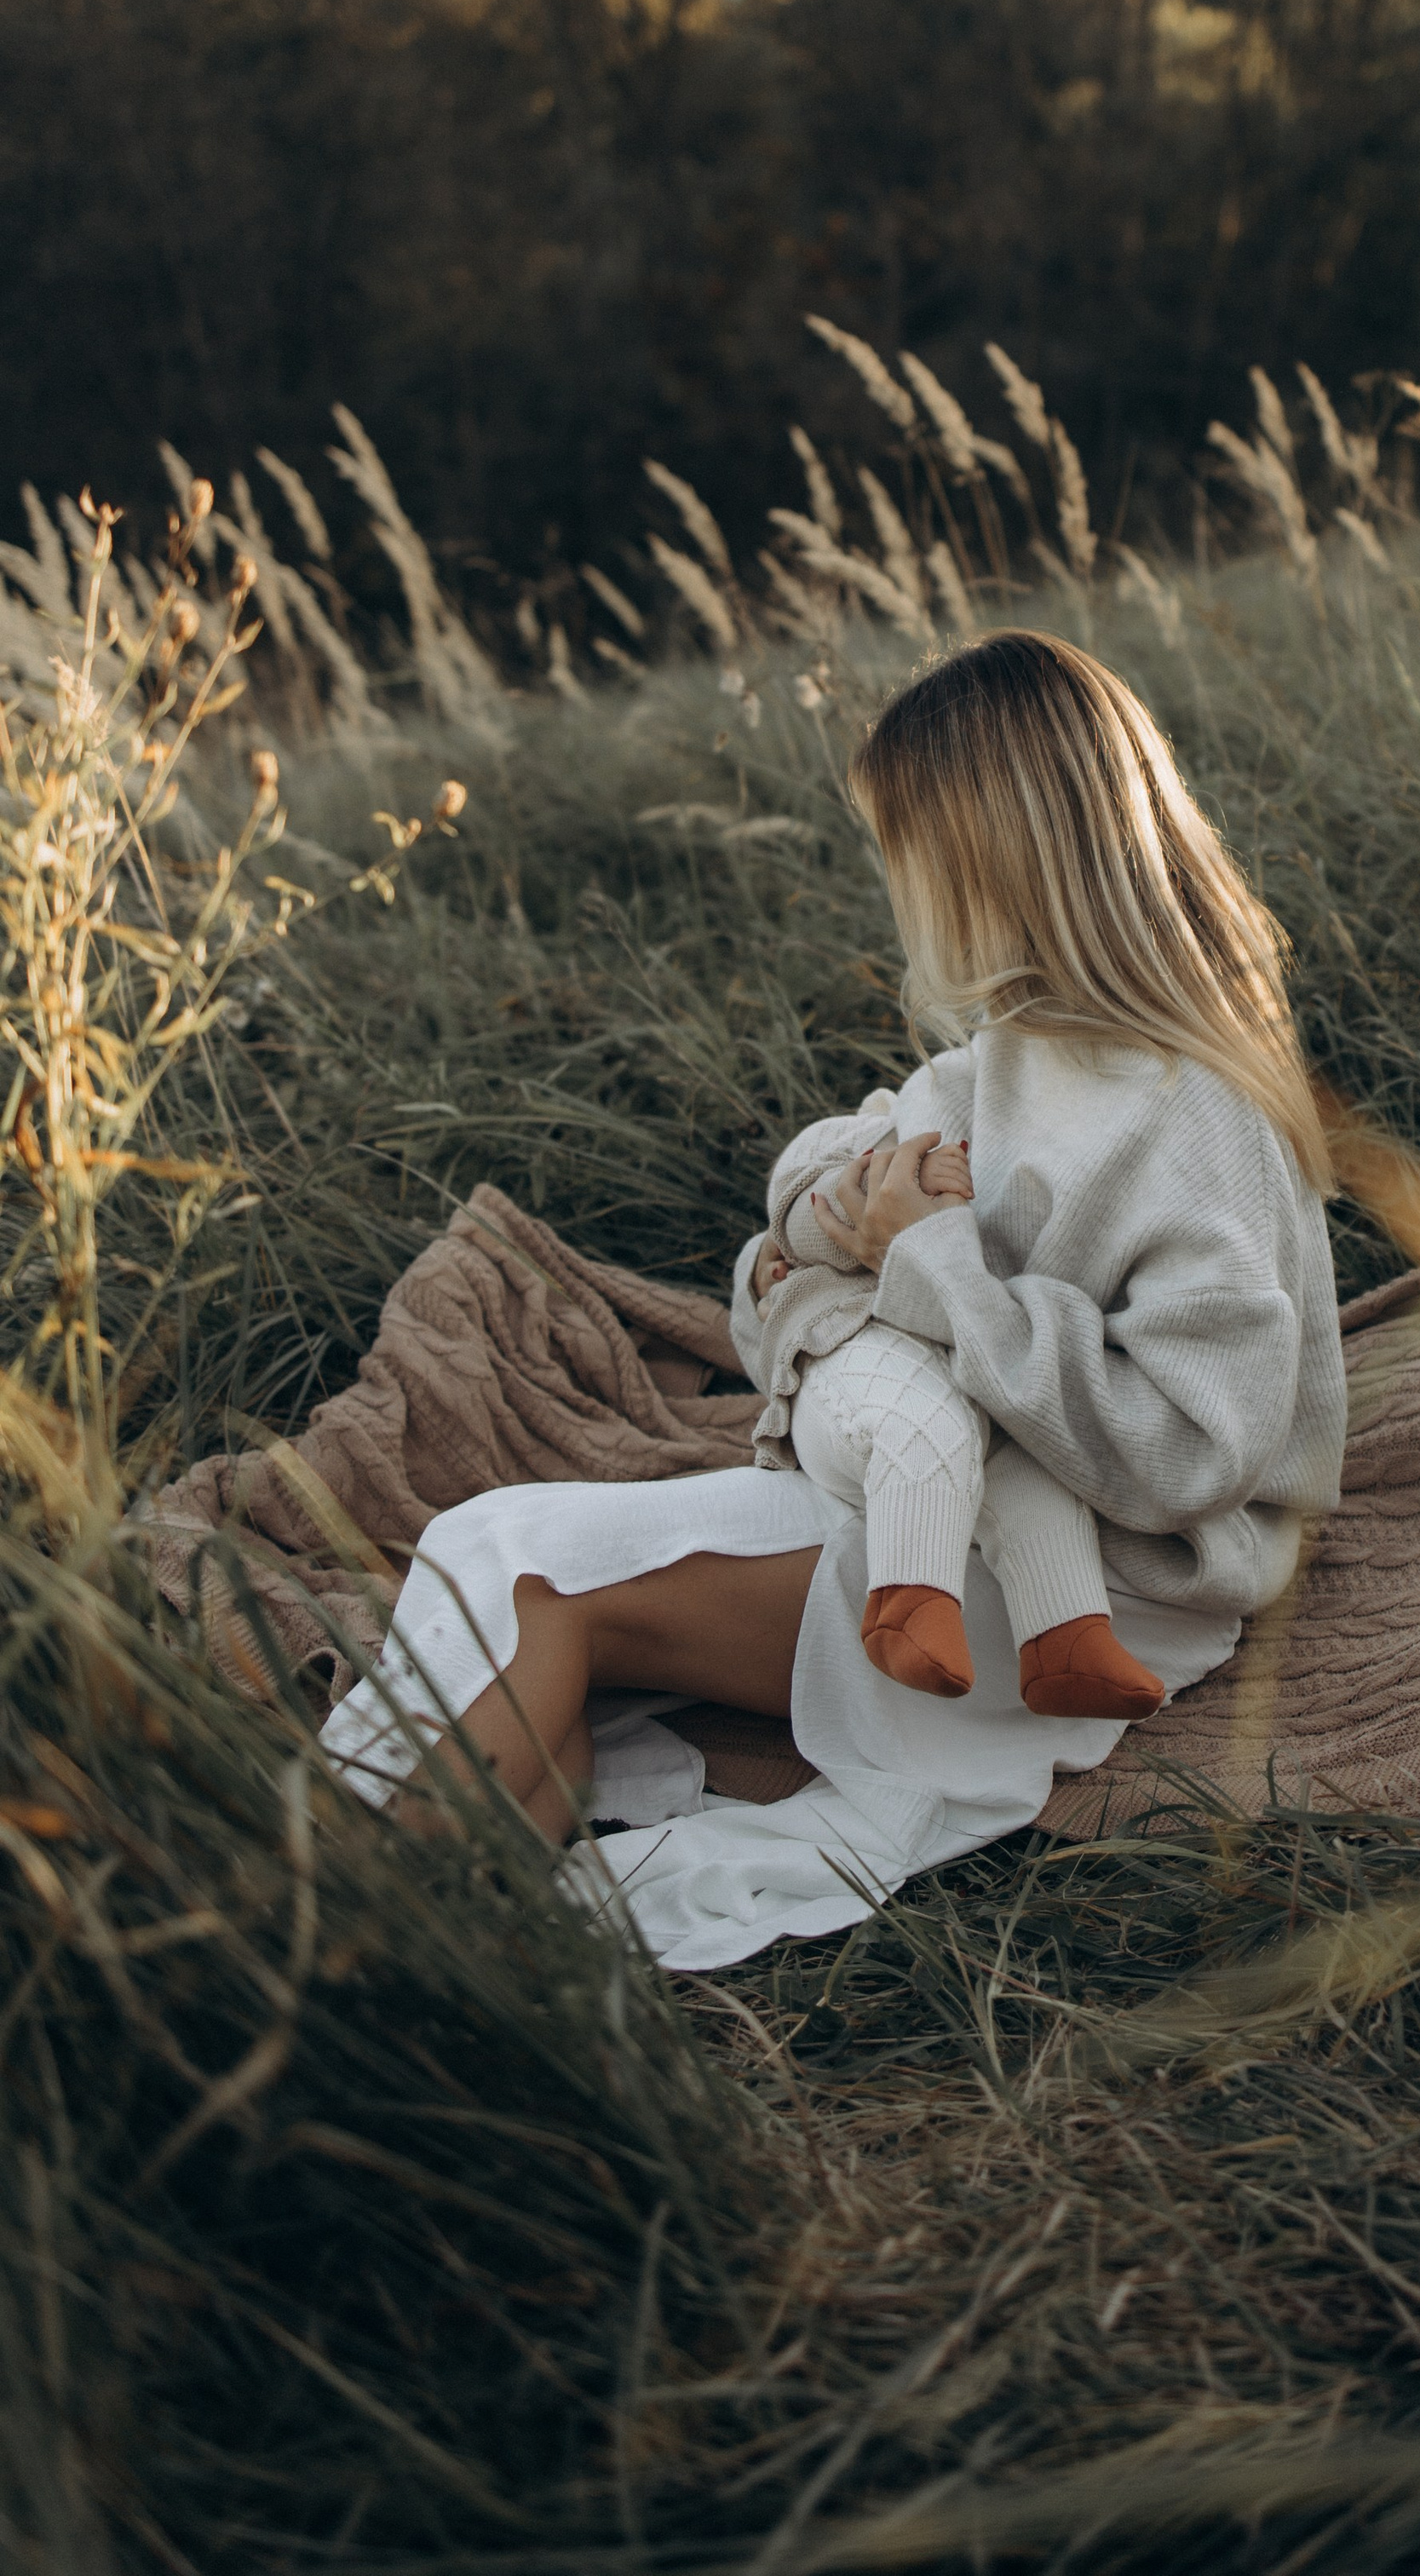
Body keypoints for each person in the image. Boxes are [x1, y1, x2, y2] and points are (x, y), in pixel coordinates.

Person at [319, 630, 1345, 1961]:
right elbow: (792, 1273)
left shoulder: (1192, 1113)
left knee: (517, 1573)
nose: (900, 894)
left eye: (910, 856)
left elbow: (1187, 1453)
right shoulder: (1013, 1055)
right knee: (490, 1546)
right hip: (944, 1491)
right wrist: (813, 1250)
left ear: (997, 858)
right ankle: (444, 1880)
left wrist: (917, 1265)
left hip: (1078, 1585)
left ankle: (339, 1951)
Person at [732, 1105, 1169, 1716]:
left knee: (1034, 1476)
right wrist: (888, 1177)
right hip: (852, 1340)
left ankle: (1067, 1641)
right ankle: (908, 1602)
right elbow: (801, 1219)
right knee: (923, 1429)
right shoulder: (860, 1129)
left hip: (963, 1350)